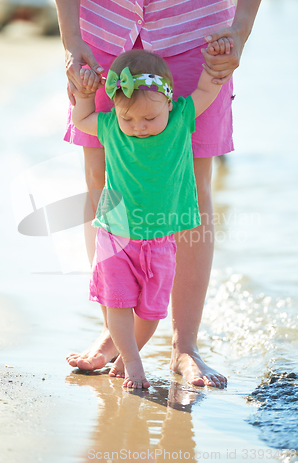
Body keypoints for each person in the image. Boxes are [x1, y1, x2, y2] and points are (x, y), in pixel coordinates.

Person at [44, 0, 280, 388]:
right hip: (101, 23)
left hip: (197, 32)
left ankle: (184, 346)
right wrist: (71, 38)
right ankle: (117, 332)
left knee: (191, 190)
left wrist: (240, 29)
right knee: (101, 185)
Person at [72, 49, 223, 388]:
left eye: (149, 119)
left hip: (160, 240)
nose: (138, 128)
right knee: (117, 301)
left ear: (169, 103)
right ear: (117, 112)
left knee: (152, 310)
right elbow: (83, 120)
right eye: (129, 120)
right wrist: (83, 95)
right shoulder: (111, 126)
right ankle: (132, 361)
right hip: (115, 235)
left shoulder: (182, 117)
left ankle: (133, 354)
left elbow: (207, 91)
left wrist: (215, 64)